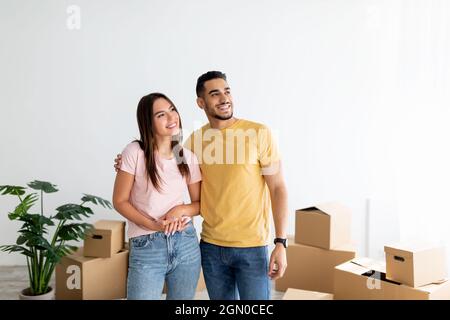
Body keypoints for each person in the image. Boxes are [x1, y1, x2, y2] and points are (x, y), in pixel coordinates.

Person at [115, 72, 289, 300]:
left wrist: (281, 242)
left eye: (227, 91)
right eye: (215, 94)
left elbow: (278, 188)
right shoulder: (192, 144)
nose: (224, 98)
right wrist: (125, 161)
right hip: (211, 248)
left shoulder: (259, 133)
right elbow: (163, 161)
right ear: (201, 102)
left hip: (252, 246)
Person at [112, 92, 202, 300]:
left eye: (172, 110)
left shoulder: (187, 157)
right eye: (161, 115)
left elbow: (200, 204)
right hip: (147, 245)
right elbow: (119, 201)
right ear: (148, 122)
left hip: (186, 242)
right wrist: (153, 225)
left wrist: (178, 211)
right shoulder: (134, 152)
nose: (172, 117)